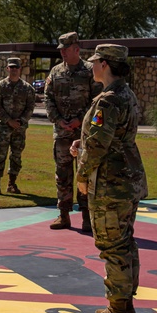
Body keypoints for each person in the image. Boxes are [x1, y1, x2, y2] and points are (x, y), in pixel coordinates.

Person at [71, 44, 146, 313]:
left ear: (105, 64)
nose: (91, 67)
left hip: (110, 182)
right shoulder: (125, 94)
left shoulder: (109, 100)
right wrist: (84, 143)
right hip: (127, 177)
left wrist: (81, 173)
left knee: (112, 245)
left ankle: (118, 311)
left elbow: (100, 144)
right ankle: (125, 306)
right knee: (125, 242)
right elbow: (107, 138)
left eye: (94, 62)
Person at [44, 31, 101, 231]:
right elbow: (48, 99)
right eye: (61, 50)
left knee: (84, 173)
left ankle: (86, 216)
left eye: (66, 50)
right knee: (62, 174)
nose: (63, 54)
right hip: (62, 134)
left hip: (83, 134)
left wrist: (80, 121)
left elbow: (97, 102)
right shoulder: (55, 72)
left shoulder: (89, 71)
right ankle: (63, 214)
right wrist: (59, 121)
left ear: (76, 49)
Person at [0, 57, 36, 196]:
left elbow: (30, 108)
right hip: (3, 127)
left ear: (20, 69)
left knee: (16, 156)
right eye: (11, 67)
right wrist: (9, 121)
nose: (14, 70)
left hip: (19, 128)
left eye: (16, 67)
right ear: (7, 69)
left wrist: (20, 121)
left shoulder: (27, 89)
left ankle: (12, 184)